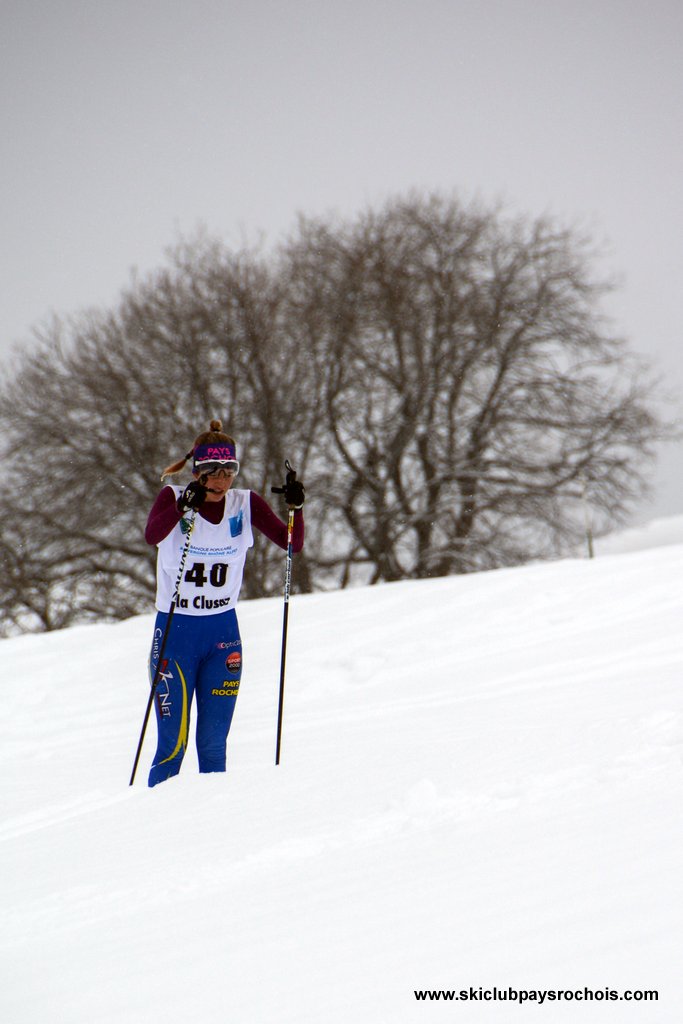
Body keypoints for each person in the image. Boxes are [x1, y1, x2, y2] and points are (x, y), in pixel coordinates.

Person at [144, 419, 305, 787]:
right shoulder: (172, 498)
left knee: (214, 745)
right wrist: (183, 506)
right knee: (173, 746)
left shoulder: (244, 503)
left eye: (229, 470)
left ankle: (212, 833)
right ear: (197, 472)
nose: (221, 480)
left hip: (222, 635)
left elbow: (291, 544)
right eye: (213, 472)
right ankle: (153, 827)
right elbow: (153, 535)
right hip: (176, 632)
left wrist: (296, 509)